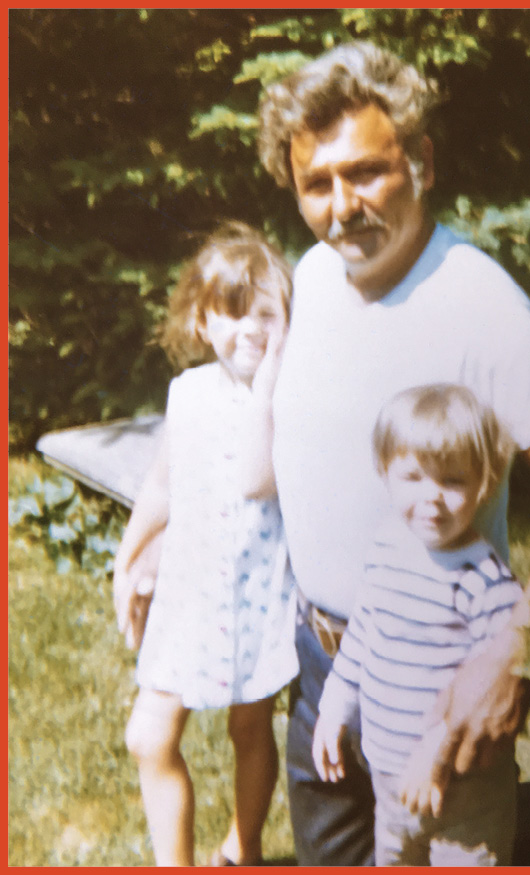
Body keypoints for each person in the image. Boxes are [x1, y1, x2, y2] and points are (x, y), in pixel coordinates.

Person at [256, 41, 530, 865]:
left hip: (445, 678)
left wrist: (509, 653)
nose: (343, 207)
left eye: (366, 172)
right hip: (326, 674)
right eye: (316, 184)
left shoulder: (483, 305)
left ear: (422, 161)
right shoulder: (312, 277)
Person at [112, 221, 298, 867]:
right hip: (190, 599)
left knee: (250, 727)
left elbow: (258, 477)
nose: (251, 328)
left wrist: (270, 385)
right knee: (148, 735)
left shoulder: (288, 400)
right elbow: (163, 484)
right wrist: (128, 555)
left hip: (257, 598)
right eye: (234, 312)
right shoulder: (188, 392)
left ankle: (242, 848)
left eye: (268, 314)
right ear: (202, 321)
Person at [313, 384, 524, 866]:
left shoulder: (484, 580)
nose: (432, 498)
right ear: (385, 472)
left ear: (484, 484)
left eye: (453, 481)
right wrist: (333, 708)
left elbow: (495, 683)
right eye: (413, 477)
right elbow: (364, 635)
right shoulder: (387, 550)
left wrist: (437, 753)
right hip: (390, 779)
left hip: (463, 790)